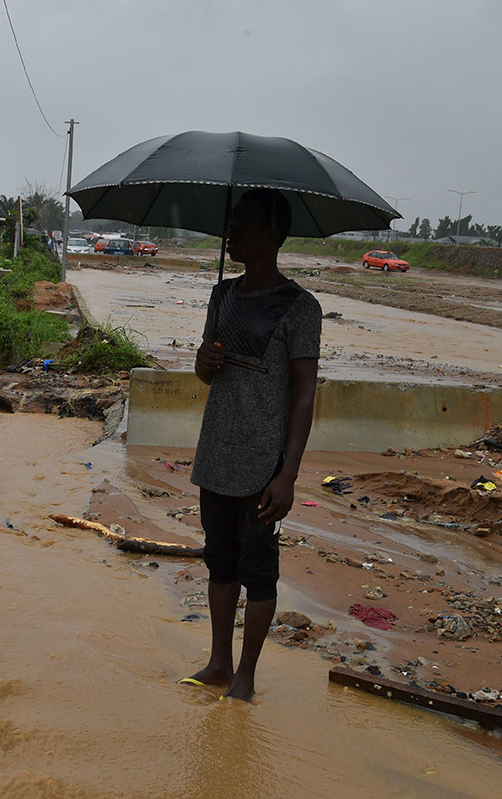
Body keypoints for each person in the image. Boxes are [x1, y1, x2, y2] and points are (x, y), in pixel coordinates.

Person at [181, 188, 322, 702]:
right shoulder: (222, 296)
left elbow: (305, 395)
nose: (231, 233)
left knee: (258, 570)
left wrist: (287, 475)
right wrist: (204, 361)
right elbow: (204, 372)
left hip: (264, 462)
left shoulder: (302, 308)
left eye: (242, 224)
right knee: (219, 560)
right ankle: (219, 662)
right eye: (231, 223)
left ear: (273, 235)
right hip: (216, 451)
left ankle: (247, 675)